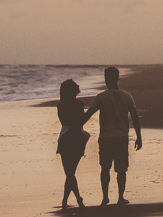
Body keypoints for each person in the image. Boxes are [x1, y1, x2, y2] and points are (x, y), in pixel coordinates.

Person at [83, 66, 142, 206]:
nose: (105, 79)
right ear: (117, 78)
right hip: (121, 138)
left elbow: (89, 114)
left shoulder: (101, 97)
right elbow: (135, 117)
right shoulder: (127, 96)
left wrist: (75, 127)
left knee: (105, 168)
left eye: (106, 76)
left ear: (108, 78)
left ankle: (105, 198)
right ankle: (120, 197)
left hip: (106, 139)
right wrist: (139, 136)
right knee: (121, 170)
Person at [56, 78, 90, 208]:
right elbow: (81, 120)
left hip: (65, 137)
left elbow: (63, 122)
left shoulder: (60, 105)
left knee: (69, 173)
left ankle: (67, 201)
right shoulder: (79, 104)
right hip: (77, 137)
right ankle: (77, 199)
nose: (78, 86)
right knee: (71, 172)